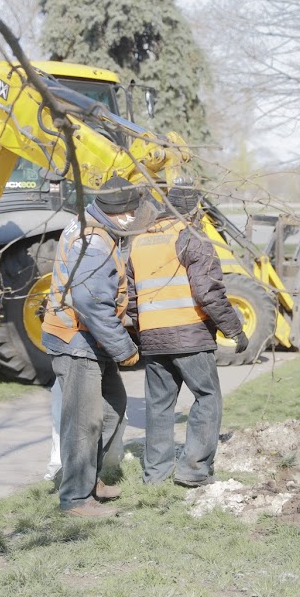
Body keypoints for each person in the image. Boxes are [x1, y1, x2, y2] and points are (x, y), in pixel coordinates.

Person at [126, 183, 248, 487]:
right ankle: (194, 470)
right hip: (190, 336)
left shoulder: (139, 242)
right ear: (194, 209)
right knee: (207, 399)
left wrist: (142, 331)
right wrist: (234, 330)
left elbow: (129, 298)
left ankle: (155, 474)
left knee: (158, 406)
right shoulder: (191, 238)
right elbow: (208, 293)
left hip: (153, 339)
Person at [42, 176, 149, 517]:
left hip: (88, 339)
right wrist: (124, 347)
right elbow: (90, 301)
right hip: (77, 341)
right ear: (120, 213)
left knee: (112, 408)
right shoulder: (94, 242)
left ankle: (87, 479)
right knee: (84, 421)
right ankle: (75, 499)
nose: (134, 218)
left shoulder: (95, 228)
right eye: (132, 212)